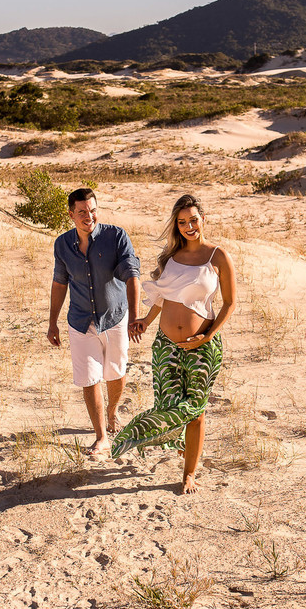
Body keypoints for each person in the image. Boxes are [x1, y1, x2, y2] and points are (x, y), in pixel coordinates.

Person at [112, 195, 236, 494]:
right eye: (182, 222)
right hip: (165, 345)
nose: (189, 227)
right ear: (176, 225)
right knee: (169, 406)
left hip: (202, 347)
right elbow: (163, 296)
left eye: (193, 220)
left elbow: (230, 303)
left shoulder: (217, 256)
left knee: (195, 409)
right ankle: (178, 441)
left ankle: (188, 474)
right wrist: (145, 320)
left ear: (202, 218)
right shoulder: (171, 257)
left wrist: (207, 336)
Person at [48, 188, 142, 457]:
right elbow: (59, 282)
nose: (89, 216)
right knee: (89, 378)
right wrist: (52, 322)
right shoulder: (62, 245)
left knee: (115, 372)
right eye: (82, 212)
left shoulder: (116, 237)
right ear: (71, 215)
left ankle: (112, 412)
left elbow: (132, 276)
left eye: (92, 210)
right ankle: (101, 436)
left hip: (115, 318)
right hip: (80, 321)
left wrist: (134, 316)